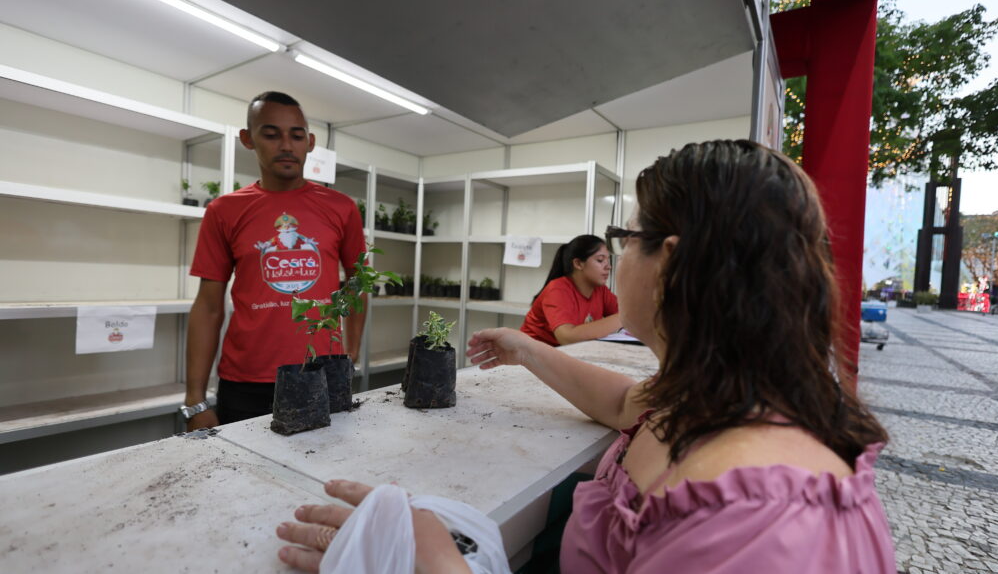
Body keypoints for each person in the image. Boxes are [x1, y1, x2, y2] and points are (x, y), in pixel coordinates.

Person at [275, 140, 896, 573]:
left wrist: (435, 561)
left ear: (671, 263)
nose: (614, 259)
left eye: (625, 240)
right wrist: (525, 350)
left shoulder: (760, 526)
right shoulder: (718, 395)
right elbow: (626, 401)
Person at [182, 92, 367, 431]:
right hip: (245, 381)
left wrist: (350, 355)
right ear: (247, 139)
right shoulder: (224, 212)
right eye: (271, 134)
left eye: (296, 136)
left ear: (310, 143)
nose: (286, 144)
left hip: (322, 373)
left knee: (323, 473)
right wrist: (195, 401)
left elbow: (358, 283)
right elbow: (208, 306)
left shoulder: (341, 208)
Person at [520, 234, 621, 345]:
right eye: (600, 260)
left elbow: (628, 314)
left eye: (608, 260)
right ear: (578, 264)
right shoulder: (557, 289)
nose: (608, 266)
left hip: (566, 354)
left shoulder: (600, 290)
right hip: (529, 356)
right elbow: (567, 338)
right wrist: (623, 318)